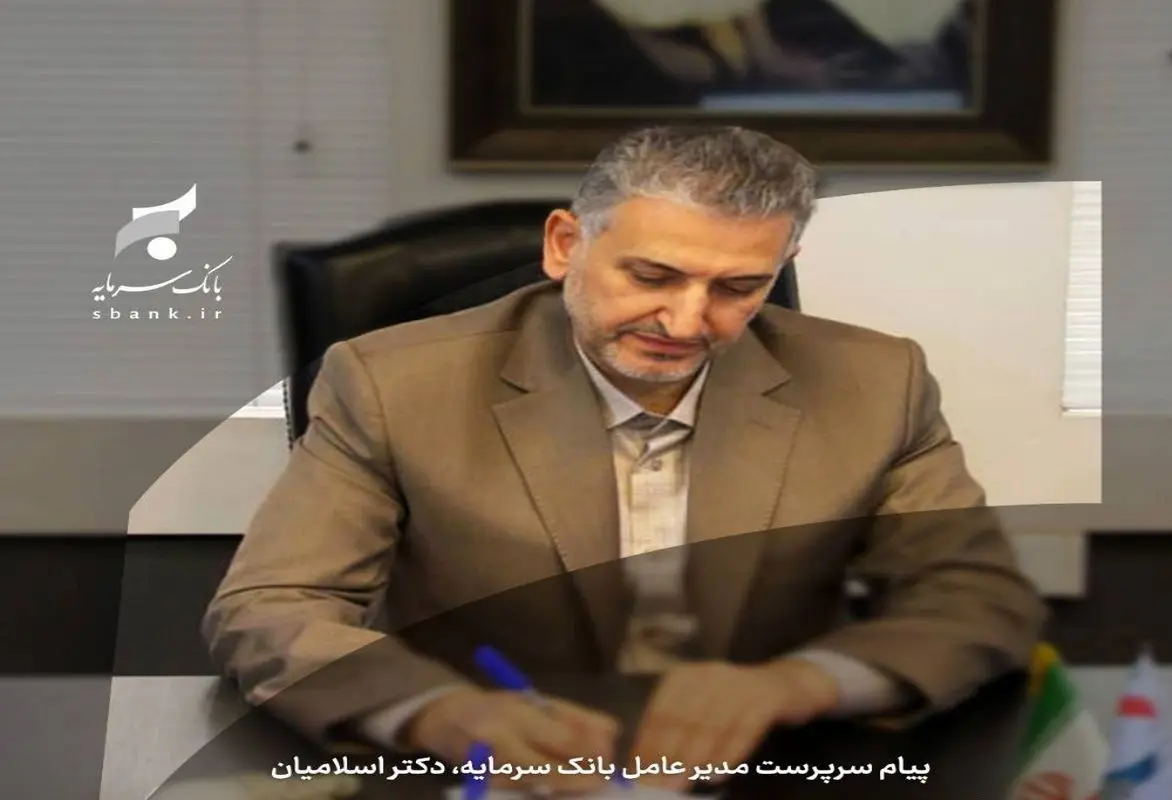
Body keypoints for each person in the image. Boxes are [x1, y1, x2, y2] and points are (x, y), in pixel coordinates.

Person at [203, 124, 1046, 794]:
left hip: (766, 768)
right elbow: (273, 607)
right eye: (652, 275)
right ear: (565, 244)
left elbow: (978, 601)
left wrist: (799, 684)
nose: (686, 322)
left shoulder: (876, 381)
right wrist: (439, 713)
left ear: (780, 270)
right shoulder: (392, 383)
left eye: (737, 288)